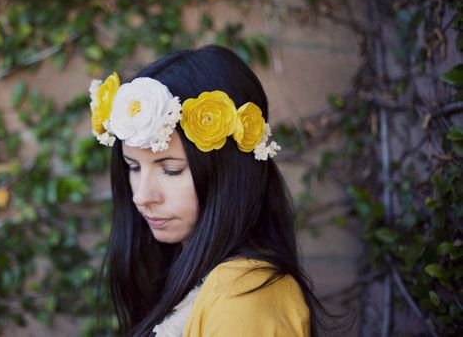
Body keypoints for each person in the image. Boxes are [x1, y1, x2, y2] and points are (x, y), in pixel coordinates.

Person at [89, 45, 329, 336]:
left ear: (227, 172)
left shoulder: (246, 297)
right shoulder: (193, 274)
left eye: (170, 169)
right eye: (133, 167)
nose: (141, 196)